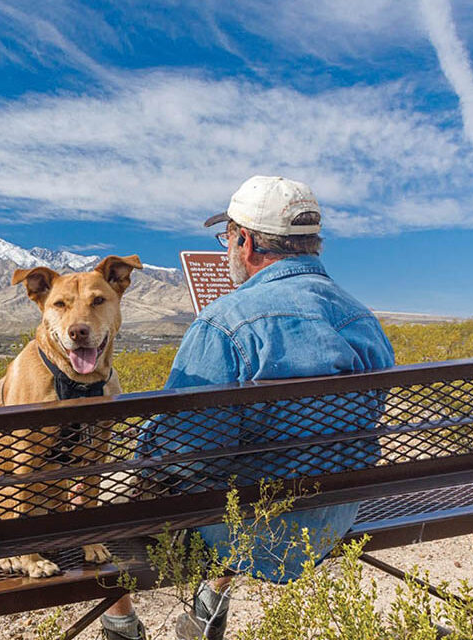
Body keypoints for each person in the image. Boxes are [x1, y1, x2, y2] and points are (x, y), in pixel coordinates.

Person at [98, 175, 395, 640]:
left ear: (246, 241)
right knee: (258, 462)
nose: (228, 249)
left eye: (228, 237)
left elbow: (182, 457)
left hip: (247, 534)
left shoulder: (223, 324)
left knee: (97, 510)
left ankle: (122, 627)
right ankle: (207, 612)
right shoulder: (362, 319)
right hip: (334, 518)